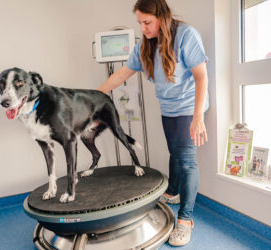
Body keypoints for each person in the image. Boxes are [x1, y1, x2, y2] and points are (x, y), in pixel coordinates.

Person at [97, 0, 209, 246]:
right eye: (139, 23)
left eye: (147, 22)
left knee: (187, 161)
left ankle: (186, 220)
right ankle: (173, 193)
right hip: (168, 108)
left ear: (162, 17)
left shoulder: (186, 35)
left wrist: (198, 117)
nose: (143, 28)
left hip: (189, 107)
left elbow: (202, 77)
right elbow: (121, 74)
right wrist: (94, 96)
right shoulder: (144, 46)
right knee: (175, 153)